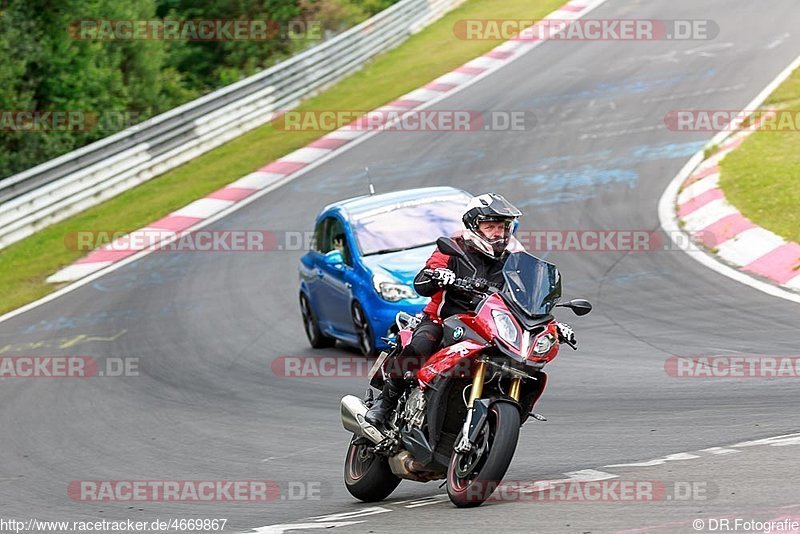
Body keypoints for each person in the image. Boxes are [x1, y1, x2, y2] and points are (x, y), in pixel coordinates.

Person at [365, 193, 576, 426]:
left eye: (503, 227)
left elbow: (530, 302)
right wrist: (439, 276)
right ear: (474, 227)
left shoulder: (513, 263)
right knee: (420, 346)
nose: (498, 233)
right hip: (443, 320)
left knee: (522, 364)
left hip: (487, 328)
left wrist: (554, 326)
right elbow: (422, 281)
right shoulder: (453, 250)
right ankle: (385, 403)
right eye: (491, 226)